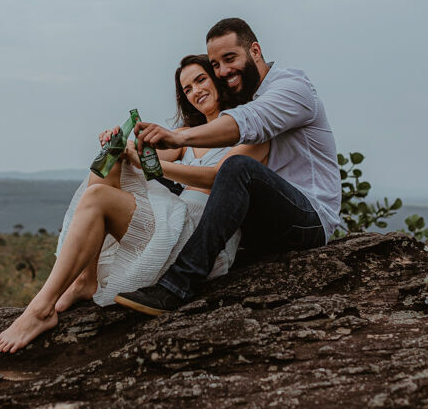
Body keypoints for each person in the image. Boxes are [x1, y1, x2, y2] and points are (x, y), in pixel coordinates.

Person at [0, 54, 270, 353]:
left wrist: (149, 163)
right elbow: (150, 158)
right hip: (179, 219)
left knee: (98, 197)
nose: (195, 91)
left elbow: (218, 178)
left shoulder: (253, 132)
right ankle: (85, 279)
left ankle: (41, 309)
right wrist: (120, 145)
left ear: (216, 79)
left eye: (200, 80)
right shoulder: (185, 137)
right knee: (107, 167)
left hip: (203, 239)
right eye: (187, 89)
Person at [114, 17, 341, 316]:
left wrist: (177, 135)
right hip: (263, 222)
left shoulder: (292, 89)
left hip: (308, 219)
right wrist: (130, 149)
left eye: (229, 58)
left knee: (236, 167)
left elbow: (247, 123)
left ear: (255, 51)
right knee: (170, 187)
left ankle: (177, 286)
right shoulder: (247, 98)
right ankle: (135, 267)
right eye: (216, 64)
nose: (223, 71)